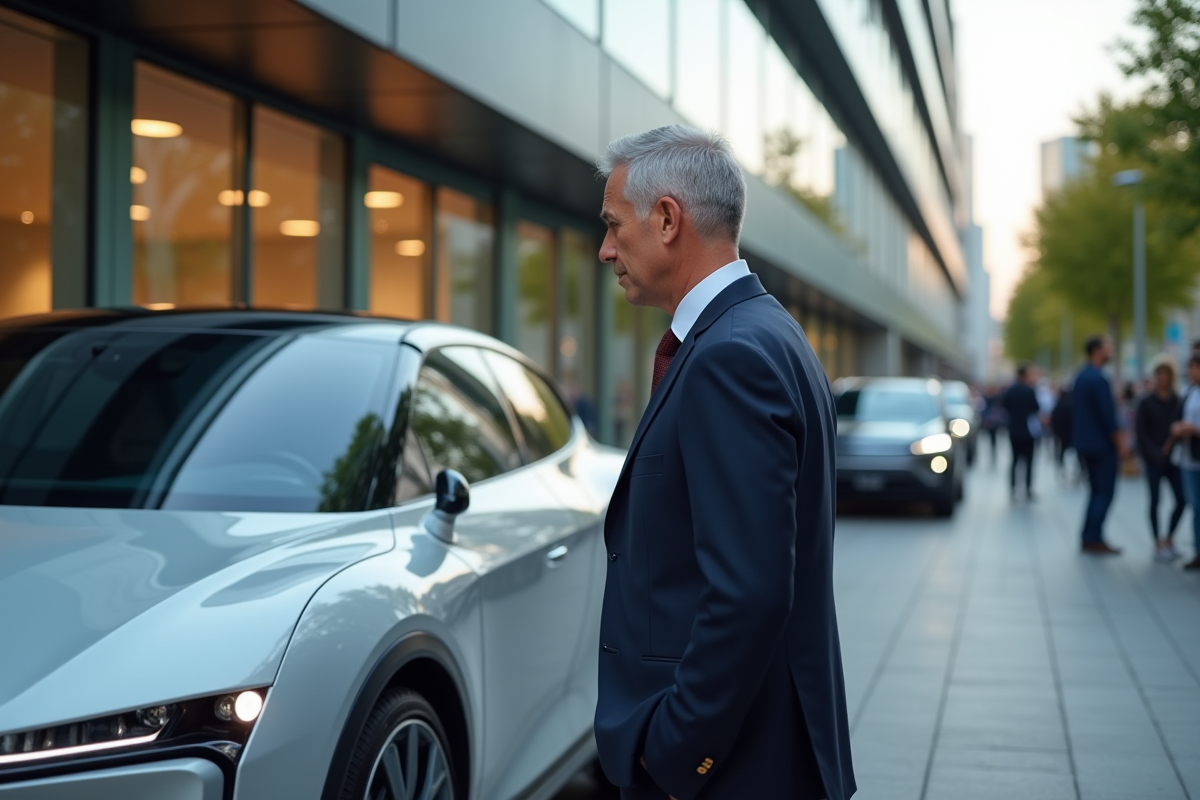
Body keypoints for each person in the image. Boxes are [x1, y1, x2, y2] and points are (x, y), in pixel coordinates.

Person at [592, 126, 855, 800]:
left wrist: (675, 753)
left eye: (615, 226)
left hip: (733, 766)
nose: (606, 250)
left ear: (668, 219)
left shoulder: (727, 358)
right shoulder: (768, 331)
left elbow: (750, 592)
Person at [1073, 336, 1127, 555]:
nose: (1111, 351)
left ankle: (1089, 536)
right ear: (1096, 351)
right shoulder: (1098, 379)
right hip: (1102, 446)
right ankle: (1093, 537)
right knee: (1104, 492)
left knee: (1096, 491)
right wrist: (1120, 441)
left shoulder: (1082, 376)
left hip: (1085, 444)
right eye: (1107, 347)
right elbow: (1107, 416)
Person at [1135, 358, 1185, 561]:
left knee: (1182, 500)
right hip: (1154, 459)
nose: (1162, 378)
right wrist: (1153, 453)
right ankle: (1157, 542)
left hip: (1174, 460)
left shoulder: (1177, 400)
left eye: (1166, 374)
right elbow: (1140, 432)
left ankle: (1169, 537)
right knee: (1155, 500)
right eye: (1159, 374)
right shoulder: (1146, 402)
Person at [1170, 355, 1200, 571]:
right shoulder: (1189, 392)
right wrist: (1179, 427)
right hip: (1189, 456)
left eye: (1193, 368)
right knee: (1196, 506)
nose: (1190, 373)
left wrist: (1194, 429)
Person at [1002, 365, 1041, 501]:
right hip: (1028, 431)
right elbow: (1036, 407)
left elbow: (1004, 405)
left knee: (1014, 461)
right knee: (1029, 461)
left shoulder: (1011, 391)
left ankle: (1013, 489)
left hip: (1013, 430)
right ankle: (1028, 489)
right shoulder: (1029, 390)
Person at [1050, 385, 1075, 479]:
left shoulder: (1058, 406)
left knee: (1061, 451)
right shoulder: (1071, 405)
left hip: (1060, 433)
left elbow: (1054, 420)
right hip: (1070, 432)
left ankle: (1061, 468)